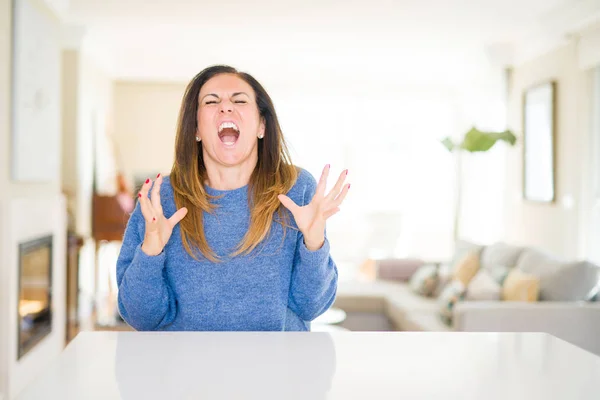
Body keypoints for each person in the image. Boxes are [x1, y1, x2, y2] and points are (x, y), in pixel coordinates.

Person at [116, 65, 350, 331]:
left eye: (239, 100)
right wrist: (150, 252)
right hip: (185, 369)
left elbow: (311, 307)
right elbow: (141, 318)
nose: (226, 107)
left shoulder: (297, 190)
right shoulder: (161, 198)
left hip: (277, 368)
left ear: (262, 125)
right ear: (195, 128)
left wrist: (314, 244)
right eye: (211, 101)